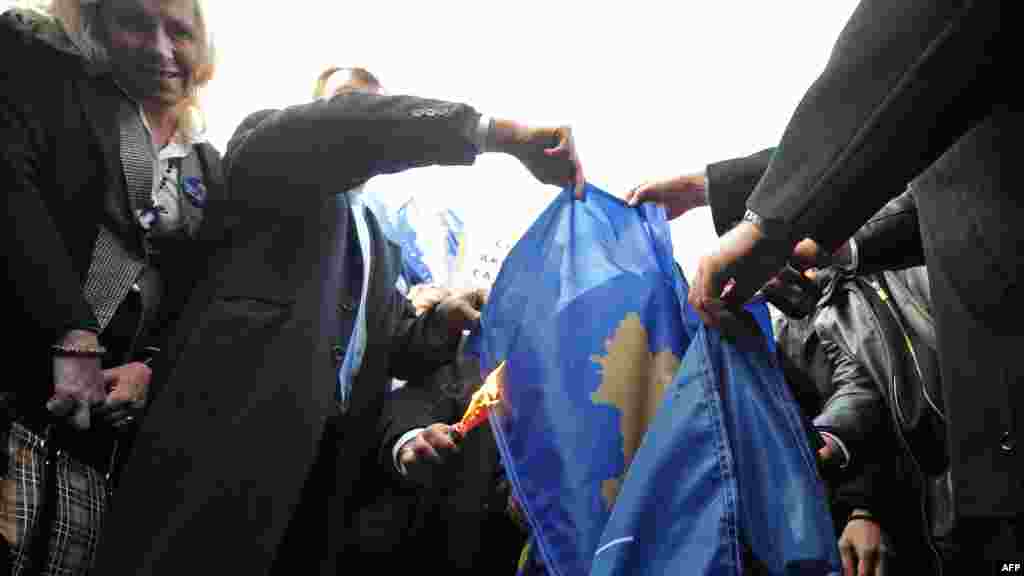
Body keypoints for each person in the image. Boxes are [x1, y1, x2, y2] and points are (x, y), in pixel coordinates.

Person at [93, 61, 583, 575]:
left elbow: (394, 346)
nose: (364, 114)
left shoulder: (379, 241)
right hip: (225, 449)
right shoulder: (267, 153)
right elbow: (347, 127)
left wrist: (443, 321)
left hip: (320, 480)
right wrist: (500, 135)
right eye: (348, 103)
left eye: (374, 104)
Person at [632, 0, 1016, 552]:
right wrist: (715, 193)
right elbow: (908, 138)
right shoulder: (801, 313)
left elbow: (895, 88)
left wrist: (768, 226)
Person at [0, 0, 220, 573]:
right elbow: (13, 195)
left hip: (95, 446)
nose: (160, 47)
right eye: (136, 24)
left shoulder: (207, 165)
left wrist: (150, 369)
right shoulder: (45, 78)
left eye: (180, 31)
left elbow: (195, 297)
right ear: (96, 29)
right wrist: (72, 335)